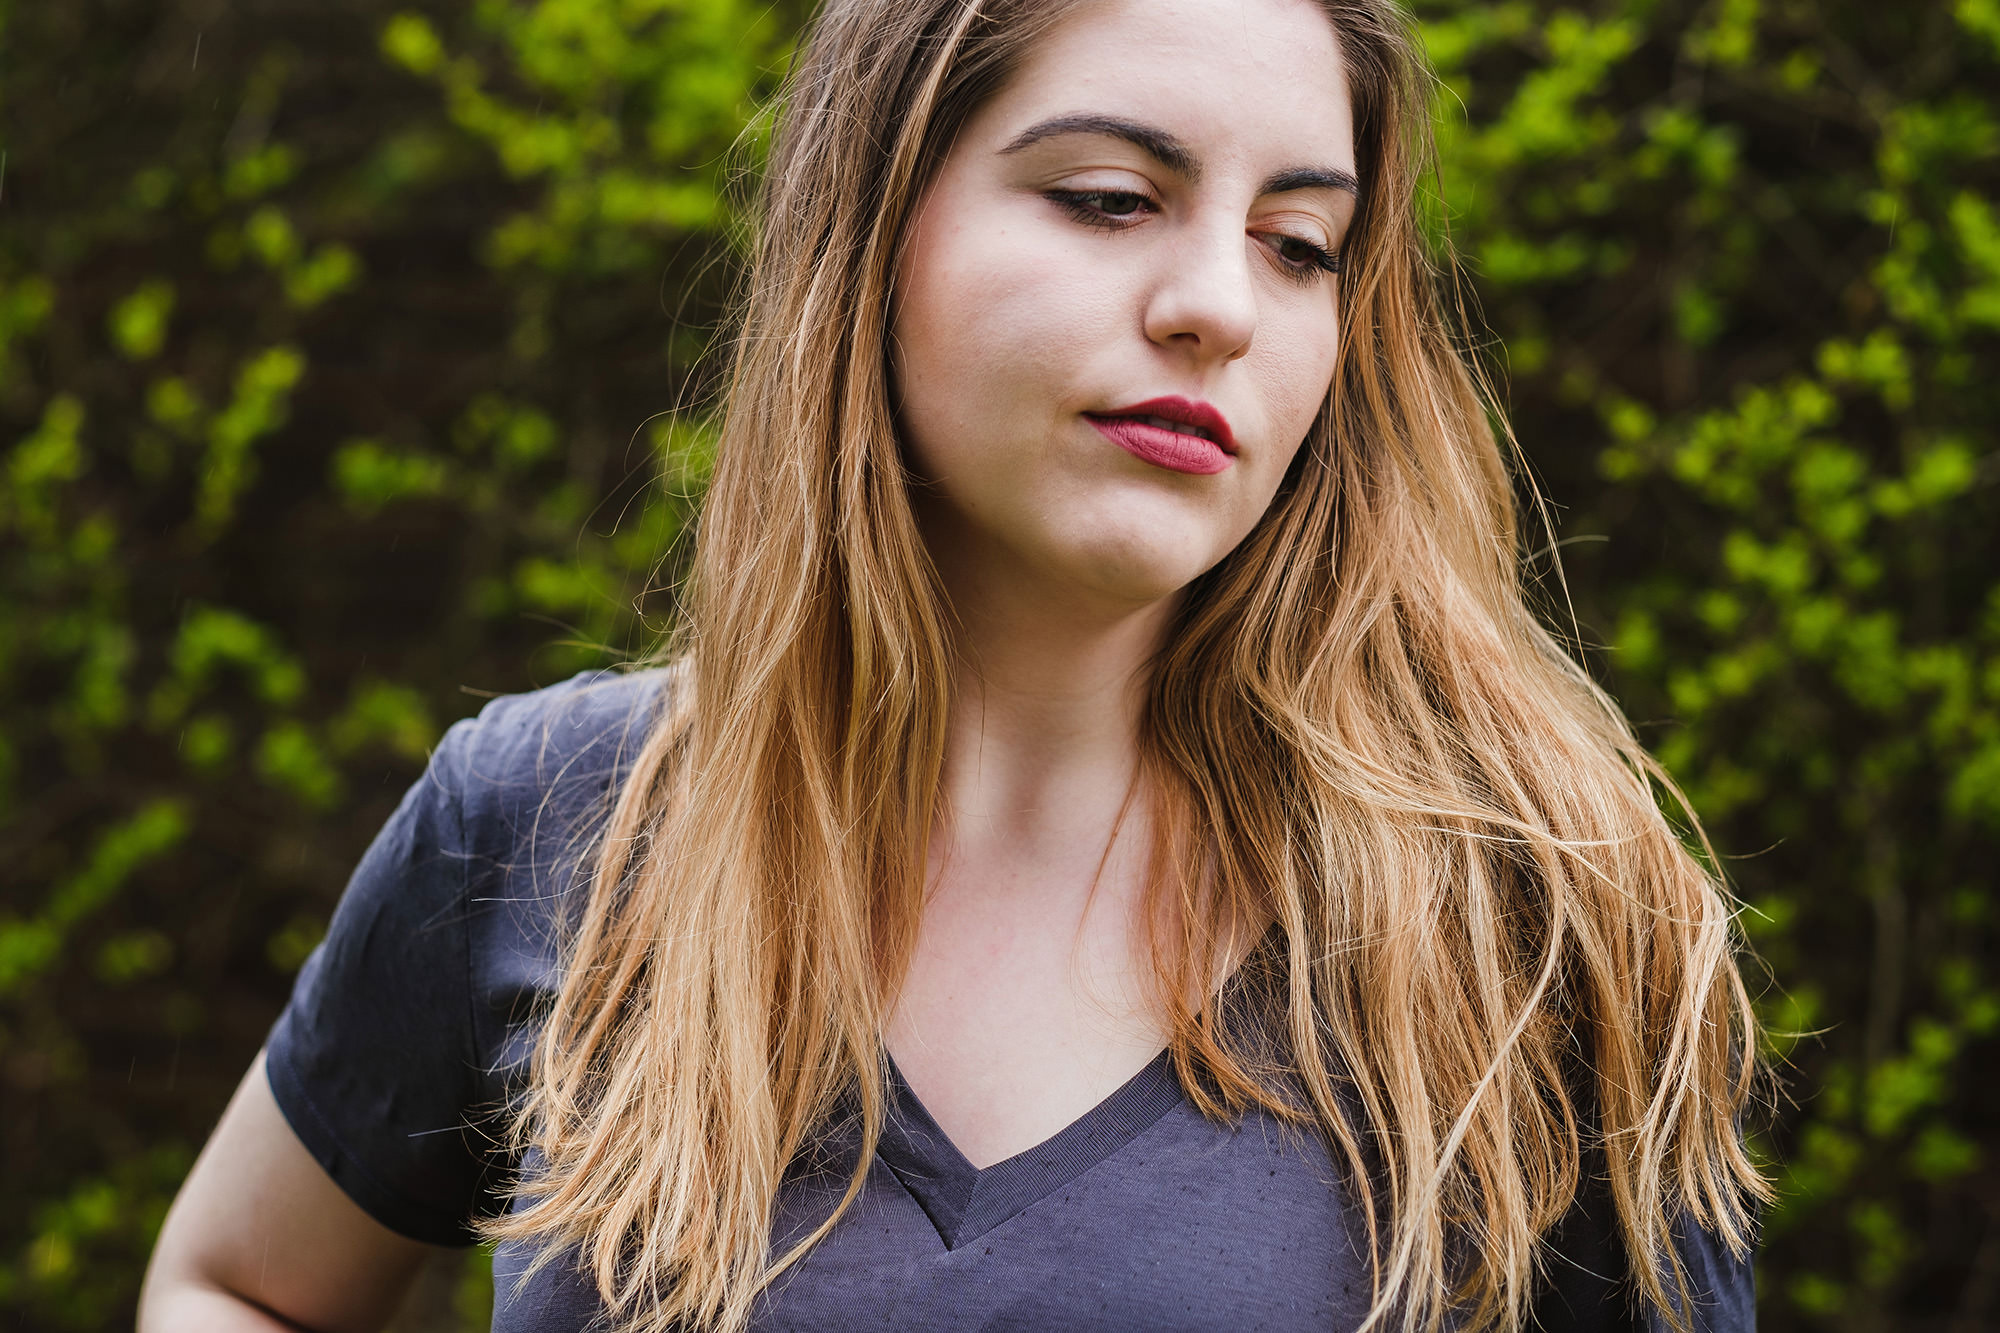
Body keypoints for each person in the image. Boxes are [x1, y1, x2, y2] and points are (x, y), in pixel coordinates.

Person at [137, 0, 1767, 1329]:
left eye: (1297, 244)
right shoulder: (546, 817)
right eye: (1112, 200)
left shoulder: (1526, 919)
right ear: (875, 223)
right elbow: (235, 1283)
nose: (1217, 305)